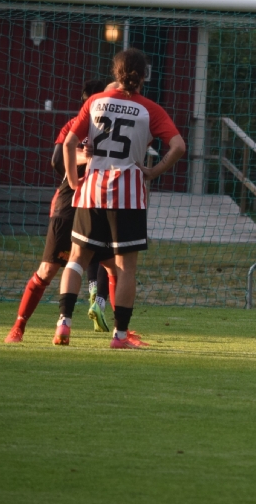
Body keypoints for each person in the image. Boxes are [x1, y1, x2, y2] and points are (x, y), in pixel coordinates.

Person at [55, 48, 186, 349]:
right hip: (128, 196)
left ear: (115, 72)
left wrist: (74, 182)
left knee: (77, 259)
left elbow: (70, 143)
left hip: (92, 191)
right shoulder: (149, 109)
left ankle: (64, 323)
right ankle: (120, 336)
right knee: (126, 268)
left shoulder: (95, 101)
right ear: (144, 76)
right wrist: (154, 171)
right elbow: (178, 146)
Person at [4, 80, 113, 343]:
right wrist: (84, 160)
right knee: (50, 269)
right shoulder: (79, 126)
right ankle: (20, 326)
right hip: (73, 201)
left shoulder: (108, 128)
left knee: (114, 265)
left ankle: (115, 328)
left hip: (96, 202)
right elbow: (58, 159)